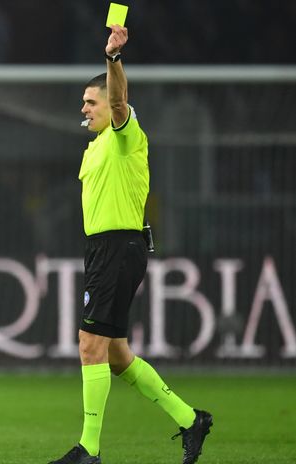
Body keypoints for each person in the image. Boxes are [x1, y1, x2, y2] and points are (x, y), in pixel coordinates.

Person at [48, 26, 213, 464]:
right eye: (83, 101)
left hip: (118, 248)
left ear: (111, 105)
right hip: (107, 250)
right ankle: (191, 419)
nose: (83, 108)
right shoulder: (96, 147)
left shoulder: (126, 136)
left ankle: (89, 450)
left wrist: (113, 59)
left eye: (91, 101)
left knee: (89, 343)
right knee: (117, 355)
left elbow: (121, 101)